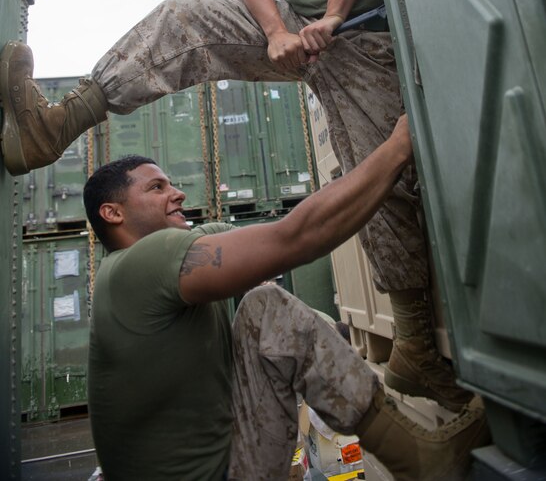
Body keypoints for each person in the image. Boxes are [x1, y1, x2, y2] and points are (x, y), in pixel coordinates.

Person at [0, 0, 467, 411]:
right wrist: (277, 29)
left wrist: (330, 16)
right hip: (294, 26)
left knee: (377, 175)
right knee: (182, 19)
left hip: (361, 34)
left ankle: (414, 346)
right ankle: (54, 126)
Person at [83, 119, 488, 481]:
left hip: (227, 462)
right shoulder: (136, 264)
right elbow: (294, 237)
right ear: (112, 213)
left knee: (262, 303)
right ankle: (419, 460)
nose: (179, 194)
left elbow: (272, 235)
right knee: (265, 308)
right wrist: (399, 144)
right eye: (157, 188)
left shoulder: (162, 260)